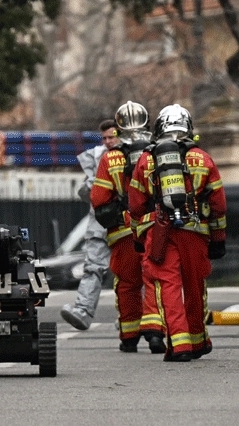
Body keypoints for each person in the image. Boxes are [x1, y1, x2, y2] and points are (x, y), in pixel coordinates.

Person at [127, 104, 227, 362]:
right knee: (194, 285)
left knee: (167, 286)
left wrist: (139, 238)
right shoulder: (203, 159)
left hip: (159, 232)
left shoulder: (147, 160)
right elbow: (218, 205)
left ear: (159, 128)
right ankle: (198, 340)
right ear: (188, 127)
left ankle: (179, 345)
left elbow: (136, 205)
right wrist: (218, 240)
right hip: (195, 232)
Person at [88, 101, 166, 353]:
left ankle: (130, 336)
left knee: (127, 283)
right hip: (155, 227)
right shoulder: (158, 153)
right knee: (155, 280)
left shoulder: (110, 159)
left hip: (123, 232)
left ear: (118, 128)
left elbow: (99, 200)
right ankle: (156, 333)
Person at [60, 119, 119, 330]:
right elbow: (87, 194)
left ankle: (133, 318)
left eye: (112, 136)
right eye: (104, 138)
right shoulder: (96, 157)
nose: (108, 141)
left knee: (131, 273)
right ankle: (83, 310)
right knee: (92, 267)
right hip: (100, 222)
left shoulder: (131, 154)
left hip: (125, 222)